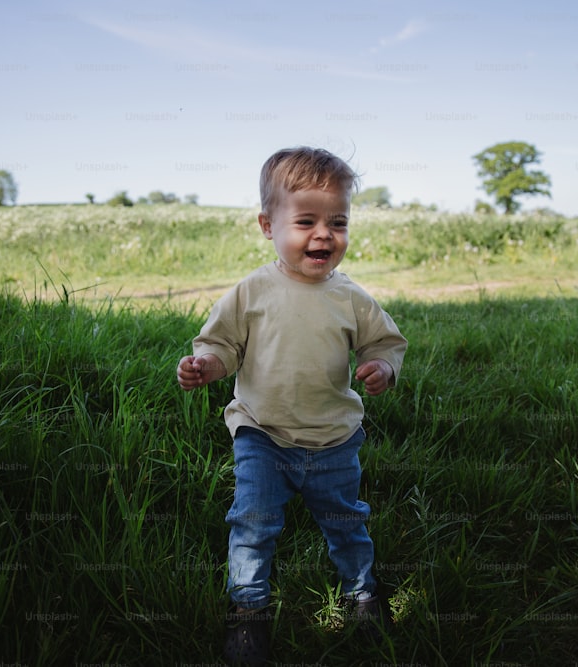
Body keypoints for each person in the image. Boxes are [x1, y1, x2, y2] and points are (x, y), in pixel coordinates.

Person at [176, 146, 407, 665]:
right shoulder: (251, 291)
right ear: (267, 224)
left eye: (338, 221)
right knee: (253, 524)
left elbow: (384, 343)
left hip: (333, 440)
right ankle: (248, 611)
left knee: (346, 520)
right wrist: (206, 365)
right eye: (306, 221)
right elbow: (220, 343)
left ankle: (362, 595)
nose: (324, 234)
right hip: (262, 432)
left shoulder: (352, 297)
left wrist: (382, 367)